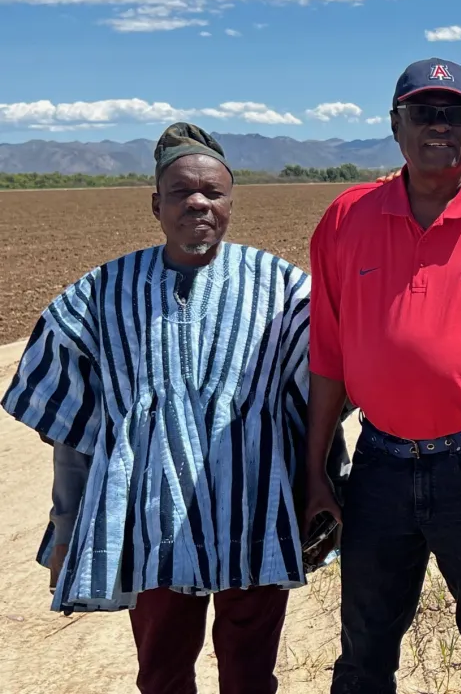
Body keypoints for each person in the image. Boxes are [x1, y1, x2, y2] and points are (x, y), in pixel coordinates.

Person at [2, 123, 329, 694]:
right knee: (161, 674)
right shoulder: (101, 294)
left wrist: (321, 489)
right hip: (147, 520)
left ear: (231, 202)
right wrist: (64, 528)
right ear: (157, 204)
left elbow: (323, 395)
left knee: (251, 675)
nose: (198, 202)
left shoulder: (285, 290)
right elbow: (73, 428)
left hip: (251, 512)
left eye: (214, 192)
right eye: (181, 192)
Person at [304, 57, 461, 694]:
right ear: (396, 126)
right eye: (423, 112)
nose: (438, 125)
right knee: (364, 652)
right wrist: (314, 470)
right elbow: (328, 357)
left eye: (454, 113)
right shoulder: (346, 218)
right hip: (380, 466)